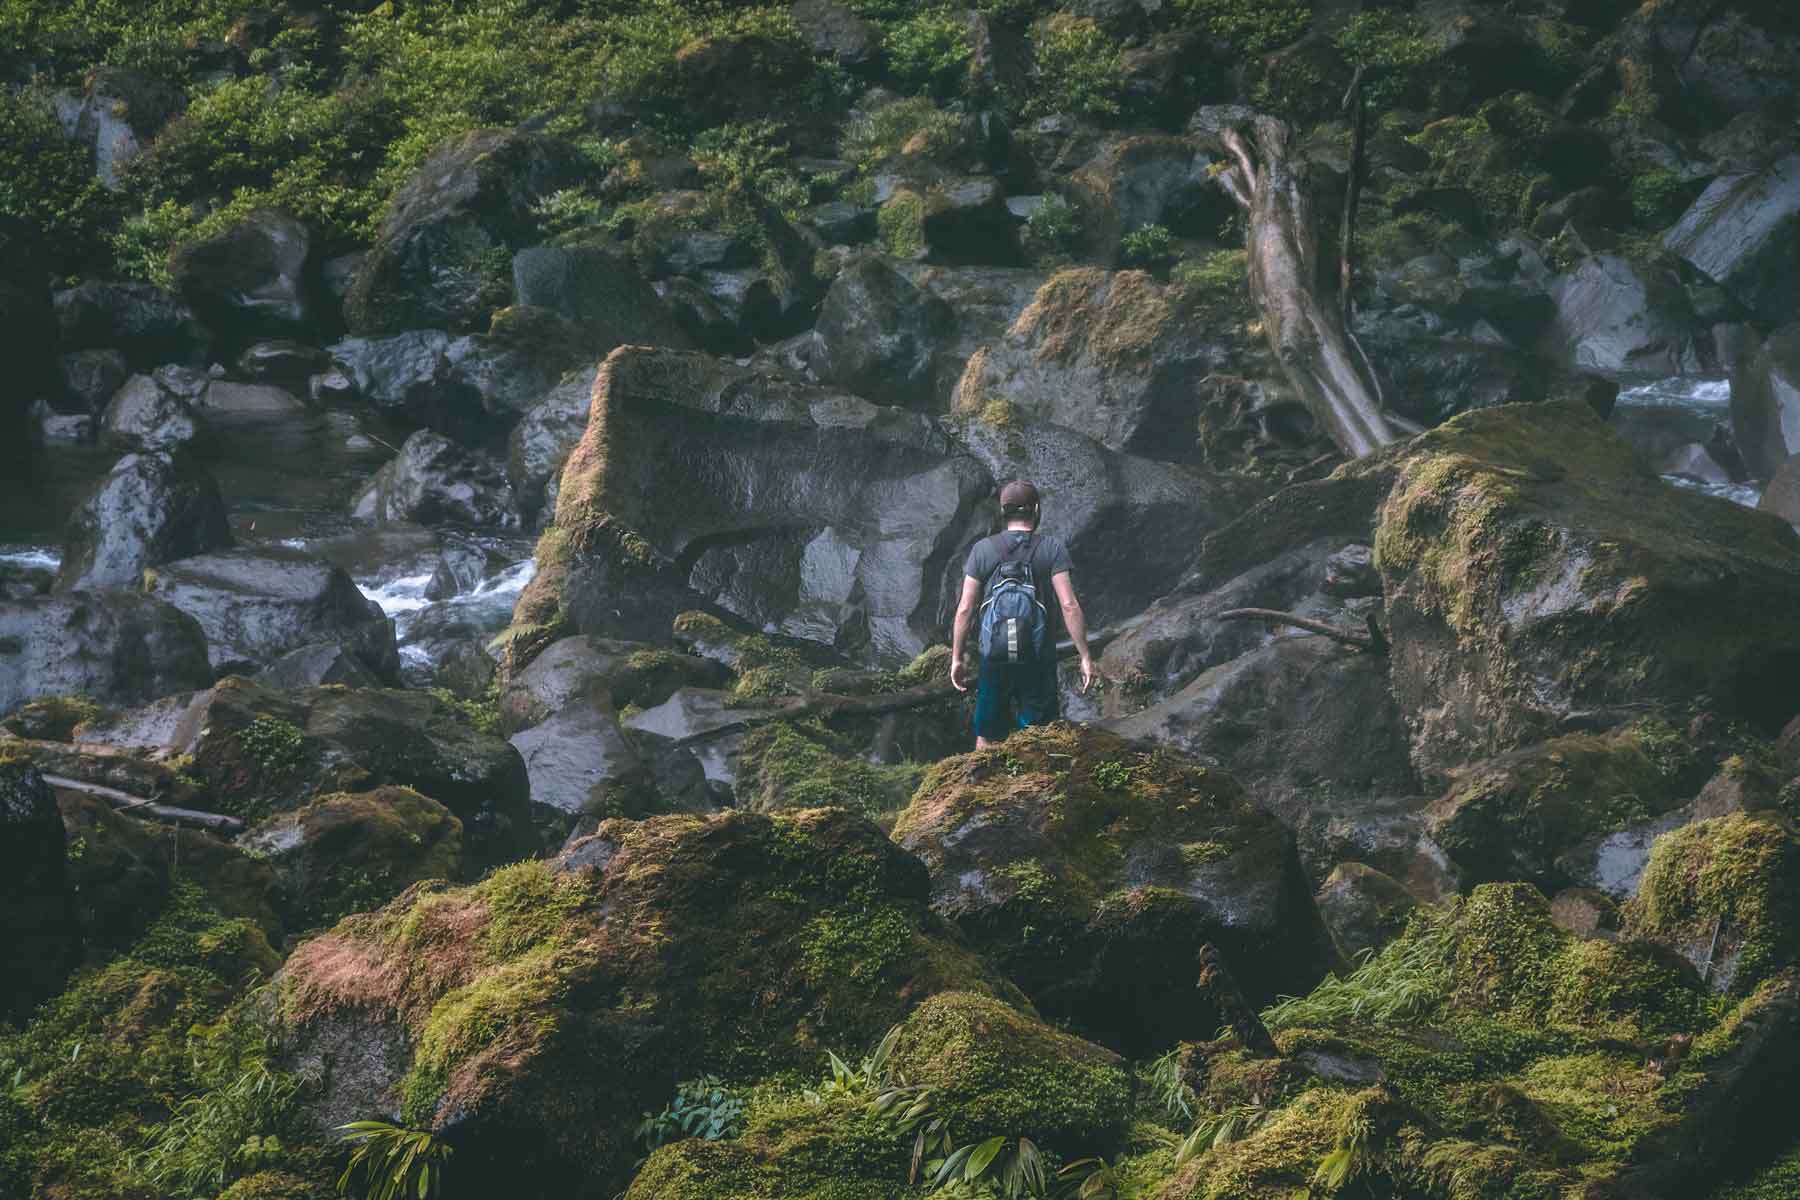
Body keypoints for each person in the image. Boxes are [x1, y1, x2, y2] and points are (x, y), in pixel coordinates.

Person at [950, 480, 1095, 747]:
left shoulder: (983, 550)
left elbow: (965, 609)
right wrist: (1085, 655)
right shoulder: (1052, 548)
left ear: (1003, 512)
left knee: (987, 735)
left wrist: (956, 658)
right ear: (1036, 509)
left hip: (993, 655)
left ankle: (981, 786)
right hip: (1038, 657)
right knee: (1039, 738)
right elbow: (1069, 605)